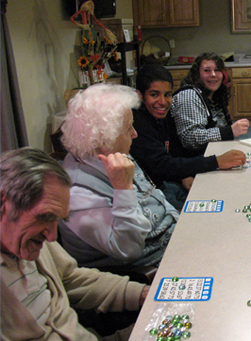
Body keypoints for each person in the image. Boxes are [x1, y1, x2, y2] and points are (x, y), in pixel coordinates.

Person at [0, 147, 149, 341]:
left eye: (58, 220)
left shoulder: (28, 237)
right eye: (45, 217)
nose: (52, 237)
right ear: (4, 201)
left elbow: (71, 278)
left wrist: (143, 294)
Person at [58, 83, 179, 272]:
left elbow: (155, 196)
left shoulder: (114, 154)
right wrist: (123, 189)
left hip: (172, 244)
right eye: (128, 128)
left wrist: (181, 225)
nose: (135, 133)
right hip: (147, 270)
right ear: (103, 138)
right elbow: (128, 250)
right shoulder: (76, 191)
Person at [130, 64, 246, 210]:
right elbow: (162, 165)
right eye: (154, 94)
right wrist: (216, 161)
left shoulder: (161, 116)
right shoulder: (137, 123)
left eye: (167, 94)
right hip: (154, 193)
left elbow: (173, 149)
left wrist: (183, 176)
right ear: (140, 95)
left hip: (170, 180)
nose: (162, 101)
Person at [170, 52, 250, 156]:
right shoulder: (189, 95)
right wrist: (229, 131)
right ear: (197, 74)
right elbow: (189, 138)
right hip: (193, 162)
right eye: (207, 70)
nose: (213, 75)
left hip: (212, 155)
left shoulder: (214, 95)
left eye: (217, 70)